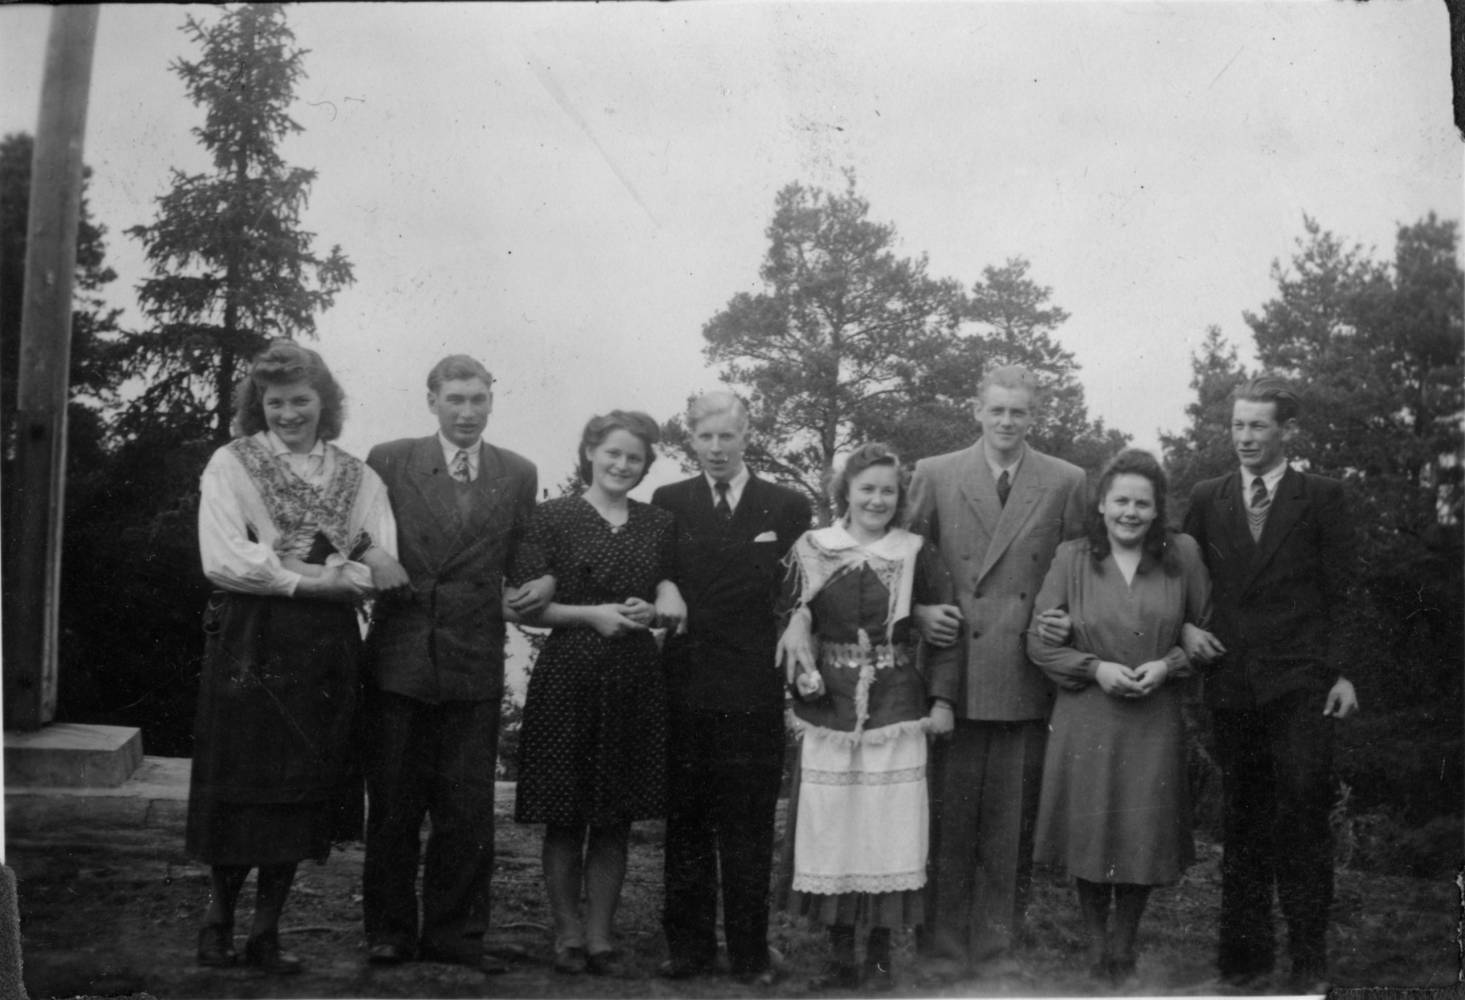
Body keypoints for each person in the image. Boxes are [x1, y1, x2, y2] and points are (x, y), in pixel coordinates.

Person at [188, 340, 407, 975]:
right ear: (258, 404)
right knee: (244, 781)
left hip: (324, 644)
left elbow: (378, 566)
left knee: (299, 788)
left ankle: (266, 933)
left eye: (301, 400)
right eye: (275, 402)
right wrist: (306, 577)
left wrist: (318, 568)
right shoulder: (232, 463)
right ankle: (217, 922)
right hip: (252, 636)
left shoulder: (358, 477)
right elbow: (223, 557)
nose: (288, 414)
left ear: (324, 402)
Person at [361, 355, 547, 973]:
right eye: (455, 400)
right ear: (432, 401)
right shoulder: (390, 459)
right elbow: (353, 528)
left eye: (478, 399)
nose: (467, 412)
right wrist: (372, 557)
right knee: (393, 806)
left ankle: (456, 935)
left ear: (492, 400)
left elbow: (524, 555)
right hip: (401, 655)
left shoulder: (517, 471)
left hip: (473, 659)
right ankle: (389, 932)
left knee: (466, 812)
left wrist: (542, 581)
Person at [905, 364, 1087, 978]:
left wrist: (1065, 620)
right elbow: (901, 561)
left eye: (1020, 412)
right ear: (977, 410)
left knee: (1010, 830)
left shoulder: (1066, 480)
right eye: (998, 410)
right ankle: (941, 950)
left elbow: (1079, 571)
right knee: (948, 822)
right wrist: (920, 612)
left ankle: (996, 954)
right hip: (951, 673)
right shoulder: (935, 472)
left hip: (1023, 676)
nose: (1007, 422)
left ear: (1035, 416)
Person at [1180, 375, 1358, 993]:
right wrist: (1184, 628)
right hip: (1232, 682)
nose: (1245, 437)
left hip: (1302, 683)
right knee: (1244, 817)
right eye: (1237, 425)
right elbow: (1178, 576)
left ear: (1286, 431)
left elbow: (1345, 591)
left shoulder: (1323, 496)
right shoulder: (1208, 497)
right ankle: (1244, 960)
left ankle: (1309, 955)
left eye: (1258, 425)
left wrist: (1344, 672)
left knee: (1303, 811)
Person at [774, 443, 959, 992]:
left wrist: (943, 700)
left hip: (895, 704)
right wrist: (797, 632)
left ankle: (879, 962)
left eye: (888, 491)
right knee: (834, 829)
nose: (877, 500)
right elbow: (787, 614)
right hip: (828, 704)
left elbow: (947, 633)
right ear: (846, 492)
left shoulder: (916, 552)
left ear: (900, 497)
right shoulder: (812, 548)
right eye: (867, 489)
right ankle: (838, 960)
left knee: (887, 831)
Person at [510, 410, 685, 976]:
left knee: (614, 818)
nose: (622, 465)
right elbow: (526, 609)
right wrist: (592, 615)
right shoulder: (551, 517)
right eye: (612, 452)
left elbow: (666, 587)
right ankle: (567, 935)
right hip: (568, 676)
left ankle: (600, 936)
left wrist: (654, 603)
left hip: (634, 677)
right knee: (564, 816)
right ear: (590, 452)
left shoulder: (657, 522)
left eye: (634, 458)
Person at [1026, 449, 1211, 986]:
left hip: (1154, 715)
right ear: (1101, 504)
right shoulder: (1072, 557)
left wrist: (1169, 664)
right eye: (1120, 501)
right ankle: (1095, 949)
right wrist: (1095, 668)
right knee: (1091, 831)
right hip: (1088, 713)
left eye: (1142, 503)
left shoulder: (1183, 554)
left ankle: (1124, 948)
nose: (1130, 512)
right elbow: (1040, 641)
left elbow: (1205, 633)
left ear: (1157, 510)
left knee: (1141, 833)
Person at [651, 390, 812, 985]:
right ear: (690, 439)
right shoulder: (669, 501)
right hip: (687, 680)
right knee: (687, 821)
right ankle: (688, 950)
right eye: (705, 437)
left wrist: (800, 618)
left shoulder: (787, 504)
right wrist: (666, 583)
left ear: (747, 436)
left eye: (727, 436)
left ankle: (750, 953)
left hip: (753, 683)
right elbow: (658, 570)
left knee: (748, 823)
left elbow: (803, 587)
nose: (716, 448)